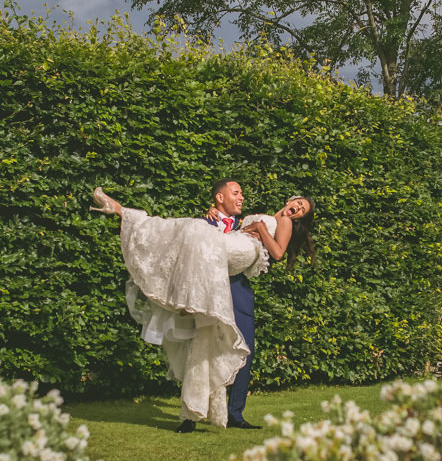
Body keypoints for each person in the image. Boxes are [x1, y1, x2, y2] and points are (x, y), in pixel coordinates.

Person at [91, 181, 315, 431]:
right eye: (298, 202)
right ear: (290, 199)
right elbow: (228, 234)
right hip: (211, 275)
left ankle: (234, 413)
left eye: (303, 209)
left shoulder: (280, 221)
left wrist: (261, 228)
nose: (297, 208)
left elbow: (277, 253)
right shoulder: (246, 216)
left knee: (242, 349)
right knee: (203, 344)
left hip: (236, 285)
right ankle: (192, 413)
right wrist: (214, 216)